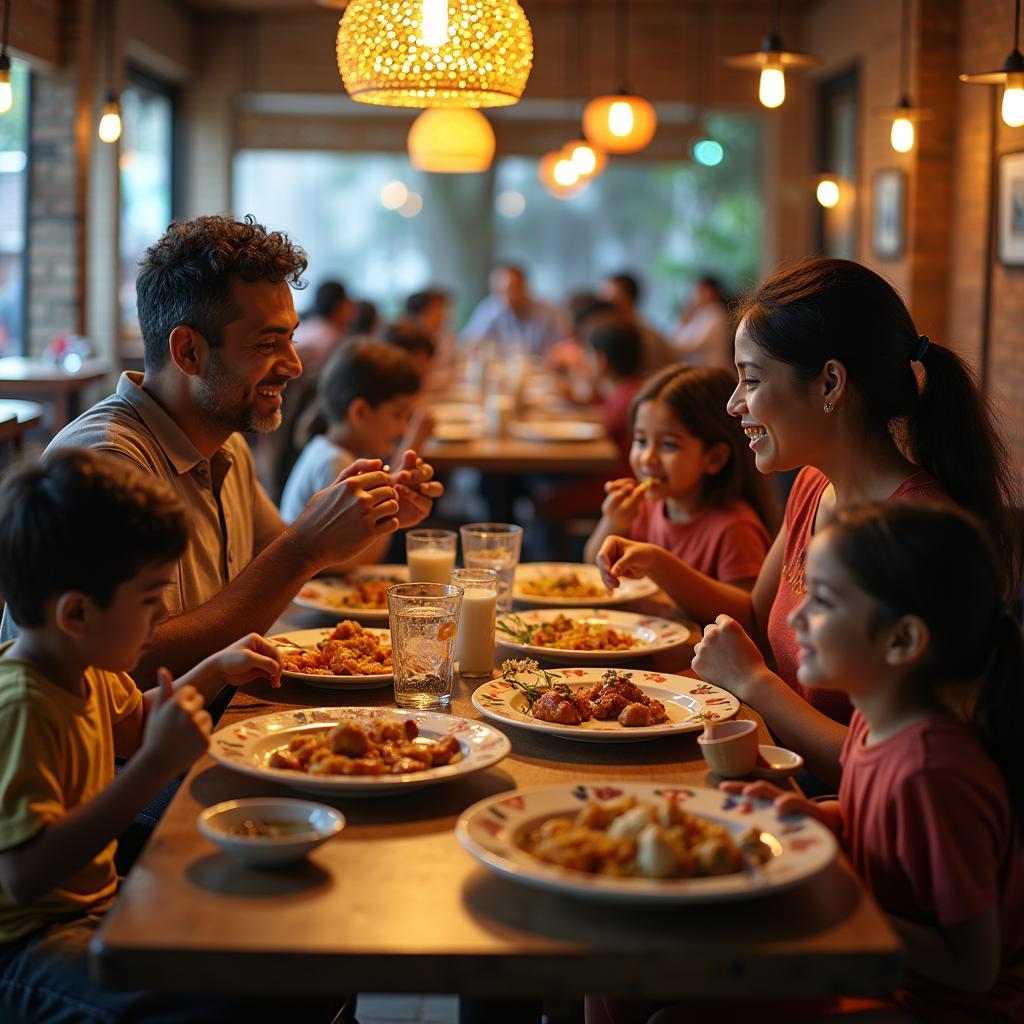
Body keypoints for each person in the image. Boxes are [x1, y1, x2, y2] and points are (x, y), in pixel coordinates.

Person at [591, 502, 1024, 1024]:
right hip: (867, 965)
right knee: (615, 978)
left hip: (926, 1004)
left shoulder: (932, 772)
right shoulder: (877, 720)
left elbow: (972, 968)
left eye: (822, 601)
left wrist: (837, 894)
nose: (795, 617)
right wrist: (822, 816)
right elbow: (885, 831)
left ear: (902, 639)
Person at [597, 258, 1018, 786]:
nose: (733, 405)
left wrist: (755, 683)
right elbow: (755, 613)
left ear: (830, 383)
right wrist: (658, 563)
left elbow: (904, 768)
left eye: (749, 380)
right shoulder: (815, 485)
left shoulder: (917, 533)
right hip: (784, 778)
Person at [0, 215, 442, 688]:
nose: (293, 366)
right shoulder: (106, 464)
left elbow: (274, 558)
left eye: (290, 338)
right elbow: (129, 672)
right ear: (188, 351)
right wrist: (303, 549)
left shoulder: (225, 441)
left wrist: (370, 510)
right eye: (267, 343)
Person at [0, 448, 344, 1022]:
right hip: (27, 948)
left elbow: (136, 724)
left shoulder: (84, 665)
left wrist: (213, 669)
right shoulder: (23, 706)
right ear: (77, 614)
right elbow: (27, 876)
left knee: (298, 940)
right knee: (231, 1000)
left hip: (93, 904)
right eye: (150, 599)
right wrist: (154, 770)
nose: (163, 614)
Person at [585, 364, 775, 591]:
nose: (647, 458)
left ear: (714, 458)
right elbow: (592, 568)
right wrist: (614, 521)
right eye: (641, 440)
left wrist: (661, 567)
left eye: (668, 444)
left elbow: (747, 614)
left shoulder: (734, 529)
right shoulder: (644, 508)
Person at [280, 341, 426, 543]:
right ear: (360, 412)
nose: (404, 429)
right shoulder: (335, 464)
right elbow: (359, 558)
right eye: (398, 415)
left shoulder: (331, 449)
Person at [461, 264, 565, 356]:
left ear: (525, 287)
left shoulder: (548, 312)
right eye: (499, 291)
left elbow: (564, 346)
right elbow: (468, 343)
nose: (506, 297)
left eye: (512, 289)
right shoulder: (489, 309)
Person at [599, 271, 673, 374]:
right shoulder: (620, 332)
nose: (603, 303)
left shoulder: (644, 336)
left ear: (629, 299)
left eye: (610, 297)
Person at [670, 274, 733, 370]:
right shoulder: (702, 314)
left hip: (713, 372)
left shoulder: (715, 314)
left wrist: (682, 323)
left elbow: (690, 347)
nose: (695, 296)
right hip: (704, 370)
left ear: (711, 292)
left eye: (700, 291)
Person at [292, 278, 352, 374]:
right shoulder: (333, 336)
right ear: (340, 305)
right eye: (349, 304)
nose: (352, 310)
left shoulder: (305, 325)